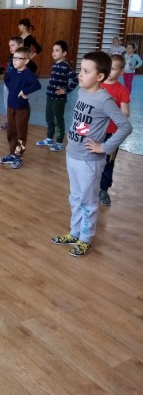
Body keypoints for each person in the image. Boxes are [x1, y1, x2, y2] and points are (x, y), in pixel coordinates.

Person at [51, 51, 132, 257]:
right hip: (73, 154)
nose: (80, 74)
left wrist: (103, 147)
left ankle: (85, 239)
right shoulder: (82, 91)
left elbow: (125, 126)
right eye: (81, 69)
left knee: (88, 202)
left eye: (86, 71)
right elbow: (86, 122)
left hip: (89, 160)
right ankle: (75, 233)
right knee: (75, 197)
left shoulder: (104, 100)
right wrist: (76, 136)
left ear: (100, 76)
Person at [0, 47, 41, 169]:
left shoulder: (27, 74)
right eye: (14, 58)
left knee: (20, 133)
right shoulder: (13, 72)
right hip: (11, 107)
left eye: (18, 59)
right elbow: (6, 78)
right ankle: (12, 154)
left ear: (26, 61)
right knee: (11, 131)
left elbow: (36, 85)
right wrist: (12, 88)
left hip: (22, 109)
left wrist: (24, 91)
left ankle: (18, 156)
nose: (15, 61)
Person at [99, 54, 130, 206]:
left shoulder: (122, 90)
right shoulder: (97, 86)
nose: (109, 71)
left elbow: (125, 113)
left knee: (108, 162)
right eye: (107, 67)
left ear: (121, 72)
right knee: (91, 160)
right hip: (95, 132)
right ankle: (90, 186)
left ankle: (103, 189)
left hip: (111, 134)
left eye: (113, 69)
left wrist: (113, 111)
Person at [36, 40, 78, 151]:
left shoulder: (66, 66)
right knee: (49, 118)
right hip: (49, 96)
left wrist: (66, 90)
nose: (54, 53)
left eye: (57, 50)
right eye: (53, 50)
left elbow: (75, 80)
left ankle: (59, 143)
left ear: (64, 53)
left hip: (59, 99)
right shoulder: (54, 64)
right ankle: (49, 139)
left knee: (58, 120)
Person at [0, 36, 24, 130]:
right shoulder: (11, 56)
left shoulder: (23, 59)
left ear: (20, 45)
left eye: (13, 45)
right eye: (9, 45)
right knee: (7, 104)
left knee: (16, 104)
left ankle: (17, 123)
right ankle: (10, 122)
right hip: (8, 84)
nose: (11, 48)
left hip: (16, 86)